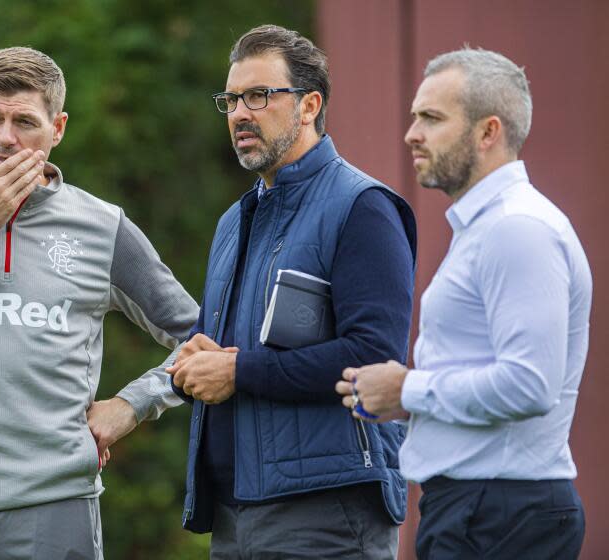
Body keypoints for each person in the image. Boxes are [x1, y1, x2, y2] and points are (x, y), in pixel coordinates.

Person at [0, 47, 198, 559]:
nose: (5, 138)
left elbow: (202, 338)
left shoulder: (103, 226)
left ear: (58, 128)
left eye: (25, 121)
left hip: (57, 505)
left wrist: (132, 405)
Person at [167, 25, 417, 559]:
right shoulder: (234, 221)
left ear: (309, 105)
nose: (239, 114)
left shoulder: (363, 207)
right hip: (234, 516)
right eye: (231, 100)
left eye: (259, 96)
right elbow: (222, 346)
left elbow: (373, 358)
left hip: (327, 514)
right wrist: (192, 360)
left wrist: (237, 372)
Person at [336, 47, 591, 560]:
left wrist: (409, 388)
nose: (412, 133)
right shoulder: (491, 226)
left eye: (431, 118)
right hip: (483, 510)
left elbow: (530, 384)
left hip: (500, 512)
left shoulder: (516, 229)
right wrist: (401, 401)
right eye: (414, 117)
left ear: (488, 132)